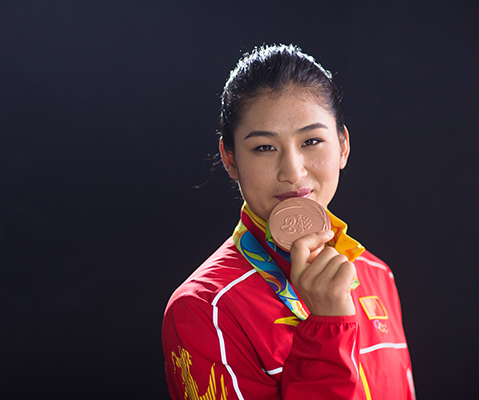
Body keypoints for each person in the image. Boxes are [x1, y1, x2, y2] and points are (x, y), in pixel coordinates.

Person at [162, 44, 415, 400]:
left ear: (343, 146)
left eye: (312, 141)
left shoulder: (377, 274)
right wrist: (328, 328)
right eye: (264, 147)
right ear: (230, 159)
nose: (293, 172)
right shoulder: (206, 308)